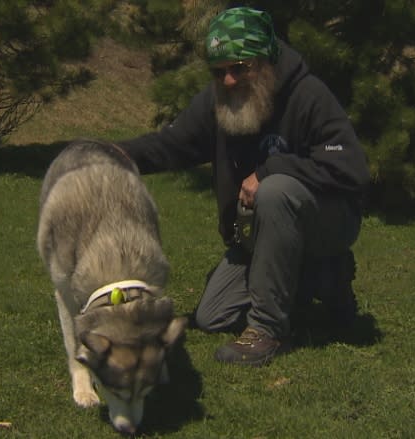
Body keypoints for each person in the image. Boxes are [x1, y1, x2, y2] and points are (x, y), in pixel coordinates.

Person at [117, 6, 370, 367]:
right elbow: (171, 145)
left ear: (265, 60)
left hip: (329, 220)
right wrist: (114, 153)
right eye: (219, 72)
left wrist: (270, 169)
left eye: (240, 68)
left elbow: (350, 168)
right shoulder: (218, 99)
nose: (229, 81)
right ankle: (315, 278)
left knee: (276, 189)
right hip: (258, 233)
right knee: (211, 316)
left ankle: (268, 331)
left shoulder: (309, 94)